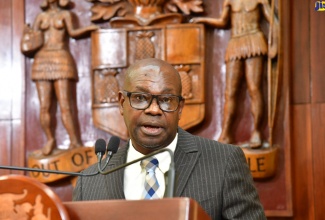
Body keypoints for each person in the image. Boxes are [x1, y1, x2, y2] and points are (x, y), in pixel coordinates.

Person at [72, 58, 266, 219]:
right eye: (140, 98)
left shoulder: (224, 163)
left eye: (166, 100)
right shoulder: (89, 183)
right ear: (122, 103)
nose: (154, 109)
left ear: (180, 108)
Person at [190, 0, 278, 148]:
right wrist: (203, 20)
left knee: (254, 89)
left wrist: (275, 45)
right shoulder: (229, 1)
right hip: (235, 43)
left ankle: (256, 132)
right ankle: (226, 133)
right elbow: (223, 22)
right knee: (230, 92)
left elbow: (273, 21)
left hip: (254, 40)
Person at [26, 0, 98, 155]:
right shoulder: (40, 17)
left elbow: (73, 32)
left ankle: (74, 141)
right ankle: (50, 139)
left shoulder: (65, 14)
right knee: (45, 106)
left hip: (61, 57)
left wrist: (89, 28)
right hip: (42, 60)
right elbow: (33, 39)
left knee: (66, 105)